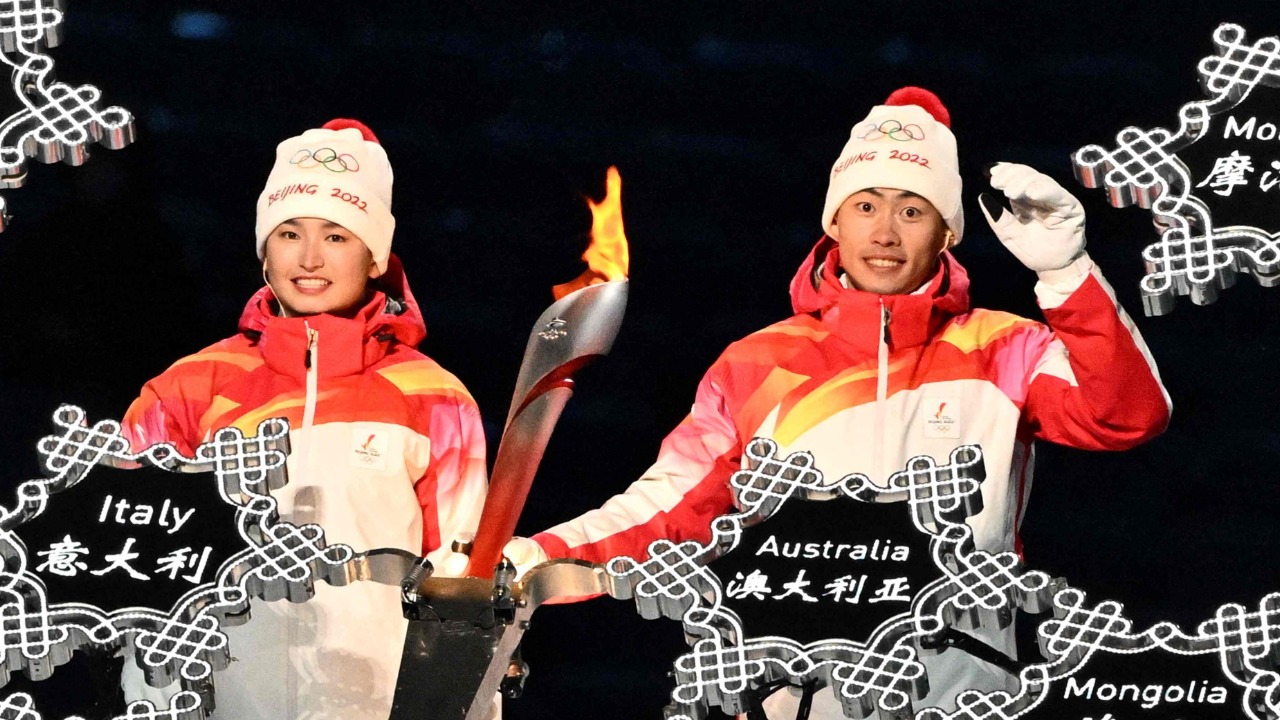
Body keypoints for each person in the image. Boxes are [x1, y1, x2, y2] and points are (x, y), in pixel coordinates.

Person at [505, 87, 1170, 716]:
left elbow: (1125, 415)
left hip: (957, 702)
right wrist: (534, 557)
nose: (885, 232)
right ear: (834, 221)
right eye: (866, 205)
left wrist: (1067, 275)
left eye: (912, 210)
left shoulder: (1004, 348)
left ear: (947, 231)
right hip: (787, 704)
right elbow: (667, 510)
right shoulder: (759, 362)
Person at [117, 119, 489, 719]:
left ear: (375, 258)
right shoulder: (187, 389)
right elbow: (128, 562)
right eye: (289, 232)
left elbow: (464, 579)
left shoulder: (432, 396)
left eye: (338, 236)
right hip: (219, 701)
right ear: (265, 250)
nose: (310, 257)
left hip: (371, 699)